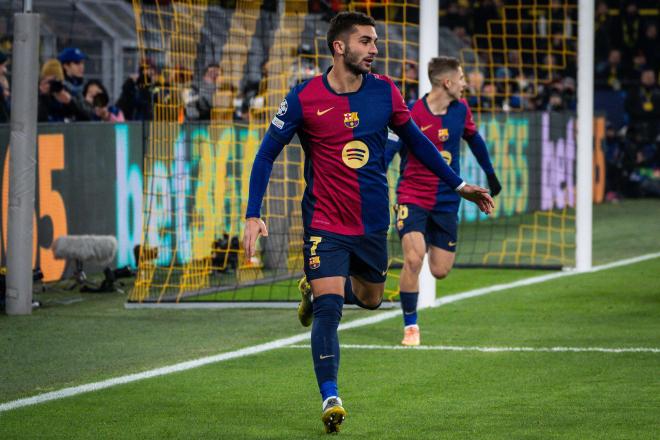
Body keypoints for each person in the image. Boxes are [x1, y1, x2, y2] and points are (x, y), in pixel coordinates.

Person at [242, 12, 493, 434]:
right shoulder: (303, 98)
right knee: (329, 309)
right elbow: (266, 154)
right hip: (324, 221)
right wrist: (253, 212)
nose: (374, 49)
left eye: (375, 41)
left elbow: (417, 141)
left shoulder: (385, 92)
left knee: (373, 298)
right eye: (365, 41)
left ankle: (319, 287)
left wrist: (460, 183)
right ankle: (330, 396)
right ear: (340, 47)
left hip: (372, 222)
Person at [385, 56, 501, 347]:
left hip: (448, 200)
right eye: (462, 78)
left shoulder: (461, 109)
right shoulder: (410, 112)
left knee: (440, 270)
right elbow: (388, 152)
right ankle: (411, 327)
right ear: (447, 82)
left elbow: (474, 139)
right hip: (412, 195)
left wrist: (490, 173)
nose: (465, 84)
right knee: (414, 258)